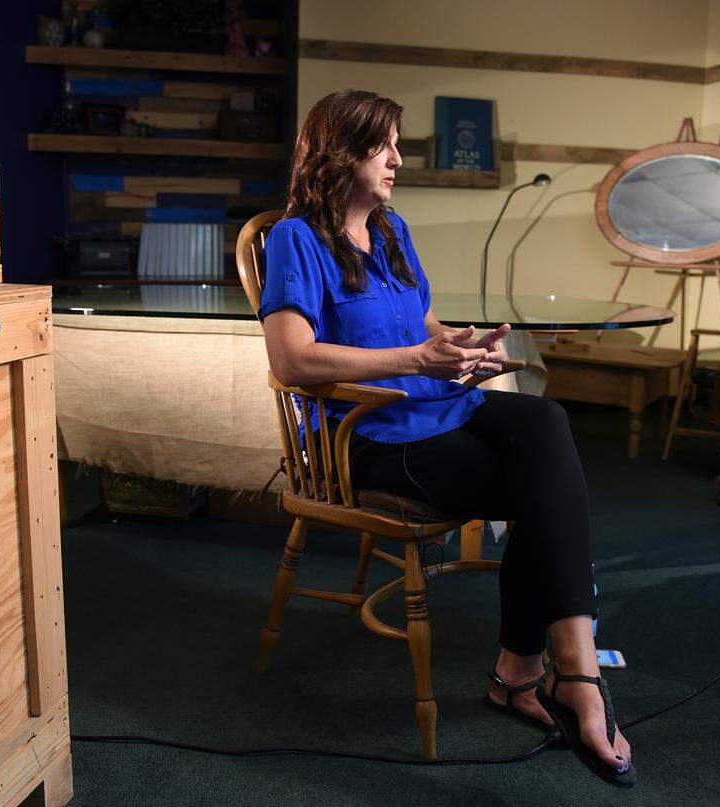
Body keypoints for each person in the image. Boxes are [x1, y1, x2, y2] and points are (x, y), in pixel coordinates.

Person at [257, 90, 634, 787]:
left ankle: (552, 670)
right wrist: (417, 360)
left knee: (545, 423)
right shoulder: (295, 239)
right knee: (542, 488)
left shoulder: (394, 233)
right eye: (385, 144)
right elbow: (292, 360)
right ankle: (540, 672)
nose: (400, 158)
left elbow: (424, 328)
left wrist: (460, 347)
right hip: (369, 434)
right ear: (341, 149)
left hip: (437, 405)